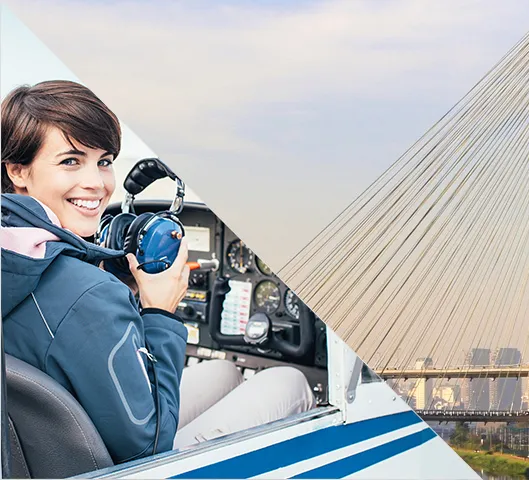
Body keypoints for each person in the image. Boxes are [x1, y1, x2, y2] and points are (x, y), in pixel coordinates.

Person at [1, 80, 310, 463]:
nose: (97, 184)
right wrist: (159, 311)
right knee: (288, 381)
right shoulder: (88, 296)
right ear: (18, 170)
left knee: (224, 372)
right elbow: (147, 449)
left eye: (104, 161)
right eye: (70, 161)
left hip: (47, 454)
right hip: (124, 465)